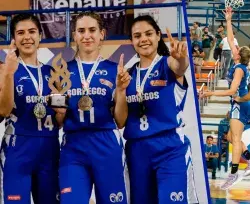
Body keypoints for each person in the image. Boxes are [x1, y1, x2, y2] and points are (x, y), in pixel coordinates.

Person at [116, 15, 198, 204]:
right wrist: (120, 90)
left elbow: (180, 67)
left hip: (169, 148)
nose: (143, 39)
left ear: (158, 35)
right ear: (132, 41)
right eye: (137, 36)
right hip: (137, 150)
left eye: (148, 33)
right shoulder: (127, 75)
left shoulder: (167, 63)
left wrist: (182, 58)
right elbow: (120, 121)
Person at [59, 12, 130, 204]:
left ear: (102, 34)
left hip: (106, 142)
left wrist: (121, 91)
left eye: (92, 30)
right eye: (81, 31)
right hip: (73, 146)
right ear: (74, 35)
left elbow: (121, 121)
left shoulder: (115, 70)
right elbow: (58, 121)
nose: (87, 35)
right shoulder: (62, 71)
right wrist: (59, 110)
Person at [0, 13, 64, 204]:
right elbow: (3, 110)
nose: (26, 37)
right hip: (17, 147)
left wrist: (61, 111)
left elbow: (59, 121)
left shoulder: (52, 73)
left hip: (49, 147)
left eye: (32, 31)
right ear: (14, 39)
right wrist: (9, 74)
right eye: (20, 33)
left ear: (40, 36)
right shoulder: (5, 70)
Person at [202, 8, 250, 190]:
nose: (234, 47)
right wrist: (228, 20)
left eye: (237, 49)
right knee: (229, 136)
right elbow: (230, 39)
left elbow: (231, 91)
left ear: (238, 55)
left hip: (240, 103)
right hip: (241, 103)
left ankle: (234, 173)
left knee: (235, 138)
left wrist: (211, 93)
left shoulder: (239, 69)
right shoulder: (240, 62)